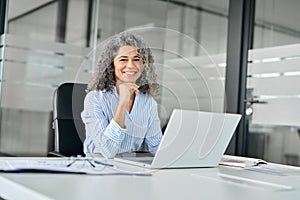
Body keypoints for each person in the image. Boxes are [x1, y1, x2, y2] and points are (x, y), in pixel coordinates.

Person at [81, 32, 163, 158]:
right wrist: (123, 101)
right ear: (112, 66)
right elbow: (108, 151)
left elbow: (156, 146)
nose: (130, 65)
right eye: (123, 59)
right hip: (98, 168)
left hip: (132, 168)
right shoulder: (94, 99)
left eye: (136, 59)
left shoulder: (148, 103)